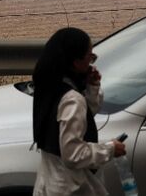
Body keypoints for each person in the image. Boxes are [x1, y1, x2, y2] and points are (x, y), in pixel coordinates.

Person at [32, 27, 126, 196]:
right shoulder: (72, 98)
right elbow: (73, 154)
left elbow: (82, 117)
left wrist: (92, 87)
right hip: (70, 188)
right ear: (76, 62)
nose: (92, 62)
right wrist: (109, 149)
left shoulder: (50, 86)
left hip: (49, 184)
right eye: (90, 57)